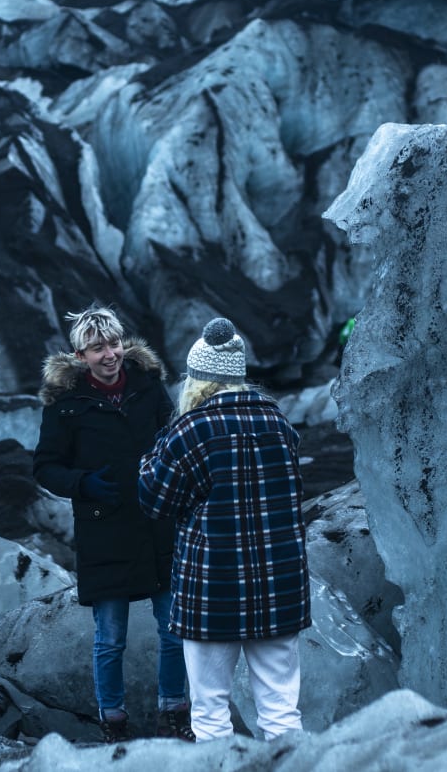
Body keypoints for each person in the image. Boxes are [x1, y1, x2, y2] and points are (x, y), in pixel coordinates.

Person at [137, 316, 310, 742]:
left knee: (210, 713)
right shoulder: (279, 425)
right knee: (282, 711)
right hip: (278, 585)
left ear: (198, 380)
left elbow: (154, 500)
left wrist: (157, 447)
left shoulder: (190, 430)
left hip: (213, 588)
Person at [33, 303, 193, 742]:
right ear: (80, 355)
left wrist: (172, 480)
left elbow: (174, 442)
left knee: (174, 629)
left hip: (157, 523)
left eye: (115, 343)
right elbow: (45, 467)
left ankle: (173, 714)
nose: (110, 354)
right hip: (104, 530)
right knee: (110, 639)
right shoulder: (66, 406)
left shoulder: (148, 388)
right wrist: (84, 483)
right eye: (97, 347)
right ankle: (114, 722)